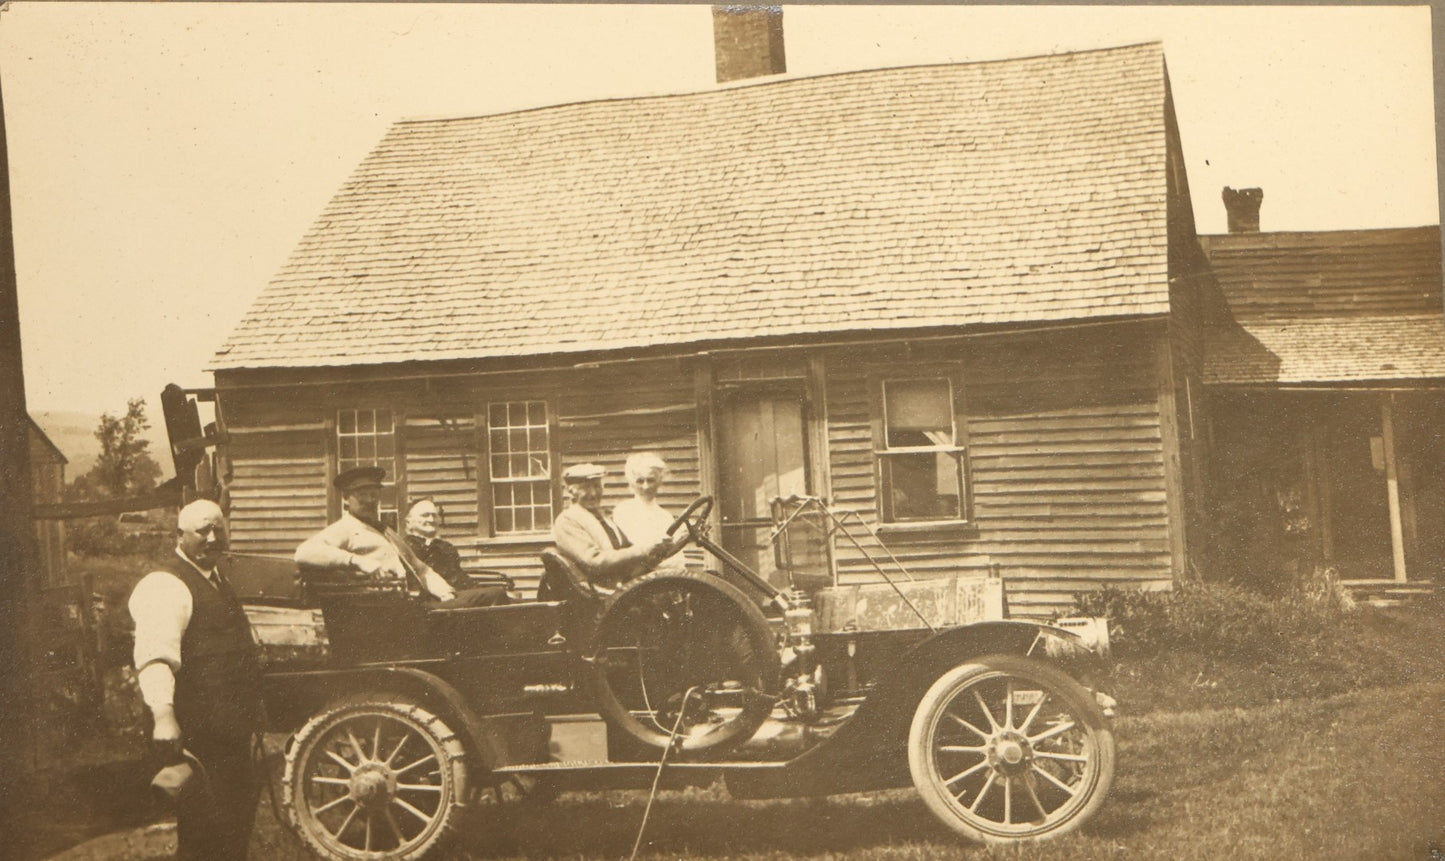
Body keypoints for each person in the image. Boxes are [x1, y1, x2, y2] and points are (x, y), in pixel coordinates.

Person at [128, 499, 263, 861]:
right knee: (204, 831)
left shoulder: (217, 579)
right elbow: (155, 657)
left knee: (233, 826)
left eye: (219, 528)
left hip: (229, 732)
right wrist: (163, 716)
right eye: (202, 530)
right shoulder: (165, 584)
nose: (212, 537)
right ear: (180, 536)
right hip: (198, 735)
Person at [295, 466, 499, 606]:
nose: (369, 500)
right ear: (347, 498)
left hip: (420, 603)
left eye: (374, 494)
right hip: (392, 612)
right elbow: (304, 552)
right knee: (494, 598)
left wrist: (445, 593)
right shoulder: (345, 528)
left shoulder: (385, 531)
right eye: (361, 494)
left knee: (495, 595)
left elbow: (421, 568)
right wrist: (357, 561)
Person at [552, 463, 683, 590]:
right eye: (585, 488)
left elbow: (627, 551)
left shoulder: (602, 518)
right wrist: (643, 550)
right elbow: (595, 562)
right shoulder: (568, 521)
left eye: (597, 487)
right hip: (603, 593)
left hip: (624, 586)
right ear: (571, 492)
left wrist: (657, 551)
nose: (593, 494)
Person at [404, 496, 511, 604]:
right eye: (425, 515)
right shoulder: (407, 547)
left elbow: (459, 578)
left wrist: (478, 589)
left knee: (512, 600)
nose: (431, 520)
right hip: (433, 601)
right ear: (409, 522)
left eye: (434, 515)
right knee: (496, 594)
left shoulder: (445, 547)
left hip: (456, 596)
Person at [611, 452, 682, 554]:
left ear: (659, 481)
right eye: (640, 481)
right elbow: (635, 550)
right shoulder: (624, 511)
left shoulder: (665, 516)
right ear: (631, 483)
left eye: (651, 480)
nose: (646, 486)